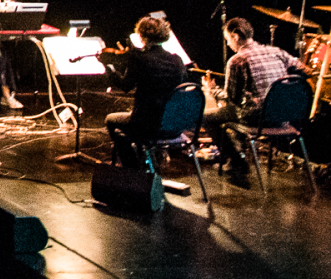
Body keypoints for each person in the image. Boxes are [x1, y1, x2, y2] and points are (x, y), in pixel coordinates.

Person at [211, 15, 306, 186]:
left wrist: (212, 90)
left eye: (227, 39)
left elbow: (231, 98)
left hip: (261, 118)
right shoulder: (277, 51)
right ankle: (237, 157)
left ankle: (236, 161)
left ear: (235, 36)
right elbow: (301, 66)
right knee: (244, 106)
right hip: (285, 115)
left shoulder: (237, 60)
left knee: (209, 118)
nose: (228, 44)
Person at [101, 13, 191, 160]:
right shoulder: (177, 60)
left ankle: (132, 169)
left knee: (111, 120)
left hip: (147, 123)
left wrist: (109, 67)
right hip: (174, 124)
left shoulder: (139, 58)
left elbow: (125, 86)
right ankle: (150, 158)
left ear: (140, 35)